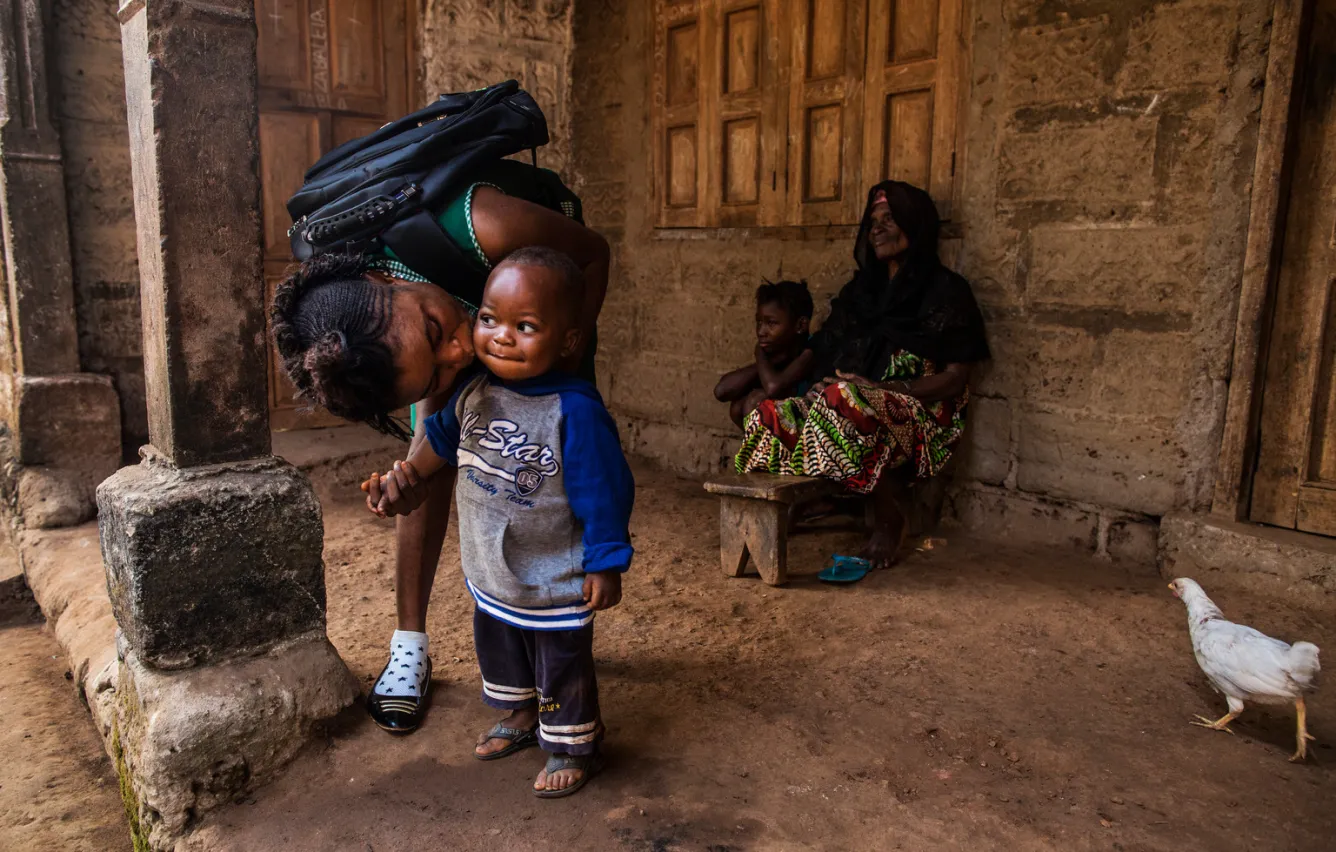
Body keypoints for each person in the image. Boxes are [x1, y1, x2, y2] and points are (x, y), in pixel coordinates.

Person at [270, 159, 610, 734]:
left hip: (547, 332)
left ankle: (558, 627)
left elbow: (594, 252)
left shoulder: (484, 224)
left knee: (553, 470)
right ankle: (409, 645)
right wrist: (414, 470)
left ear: (386, 281)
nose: (459, 352)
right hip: (447, 331)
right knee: (433, 453)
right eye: (429, 377)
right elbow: (436, 424)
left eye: (435, 329)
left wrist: (556, 370)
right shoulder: (411, 350)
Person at [362, 247, 634, 798]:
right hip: (493, 568)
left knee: (561, 663)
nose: (501, 336)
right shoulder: (474, 390)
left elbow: (604, 492)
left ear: (569, 341)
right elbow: (437, 442)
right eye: (489, 318)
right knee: (501, 645)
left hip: (555, 574)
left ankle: (573, 745)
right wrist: (401, 482)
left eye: (525, 326)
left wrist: (606, 564)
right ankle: (518, 715)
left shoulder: (574, 410)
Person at [735, 181, 989, 569]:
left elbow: (955, 379)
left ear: (915, 223)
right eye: (873, 221)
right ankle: (803, 499)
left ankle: (890, 520)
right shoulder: (860, 294)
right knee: (770, 414)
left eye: (890, 218)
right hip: (850, 400)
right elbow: (825, 349)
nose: (877, 228)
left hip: (923, 413)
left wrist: (880, 389)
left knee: (844, 402)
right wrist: (822, 384)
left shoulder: (946, 291)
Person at [713, 279, 816, 428]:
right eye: (759, 322)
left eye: (771, 323)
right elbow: (721, 391)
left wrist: (759, 353)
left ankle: (760, 450)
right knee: (737, 407)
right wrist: (766, 358)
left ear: (800, 325)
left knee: (756, 400)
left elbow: (773, 387)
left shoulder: (810, 350)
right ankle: (758, 449)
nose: (761, 332)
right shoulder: (777, 350)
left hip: (810, 431)